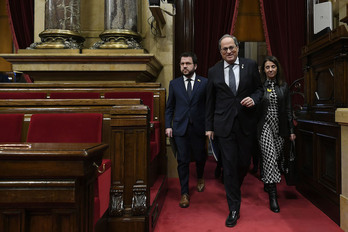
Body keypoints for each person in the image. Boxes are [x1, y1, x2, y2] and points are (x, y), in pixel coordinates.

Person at [206, 34, 263, 227]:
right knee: (229, 166)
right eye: (225, 49)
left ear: (237, 48)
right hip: (224, 125)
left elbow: (259, 89)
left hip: (246, 124)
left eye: (231, 47)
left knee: (243, 163)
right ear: (220, 52)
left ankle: (233, 188)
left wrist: (254, 99)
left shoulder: (250, 65)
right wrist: (209, 127)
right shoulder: (213, 71)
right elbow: (210, 101)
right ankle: (234, 208)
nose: (229, 51)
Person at [165, 52, 208, 208]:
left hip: (198, 128)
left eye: (188, 63)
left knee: (200, 156)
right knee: (182, 160)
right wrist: (168, 126)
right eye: (182, 64)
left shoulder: (204, 82)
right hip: (180, 128)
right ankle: (184, 193)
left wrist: (209, 127)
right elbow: (169, 107)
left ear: (195, 66)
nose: (184, 66)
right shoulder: (174, 84)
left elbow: (208, 107)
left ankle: (201, 176)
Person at [257, 55, 296, 213]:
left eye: (273, 66)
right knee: (270, 156)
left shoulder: (284, 86)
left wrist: (291, 130)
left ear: (277, 68)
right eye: (267, 67)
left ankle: (268, 182)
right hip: (264, 125)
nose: (270, 69)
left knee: (275, 158)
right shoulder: (259, 86)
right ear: (263, 70)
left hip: (280, 128)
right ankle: (273, 196)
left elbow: (288, 109)